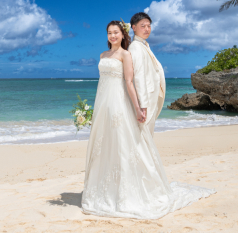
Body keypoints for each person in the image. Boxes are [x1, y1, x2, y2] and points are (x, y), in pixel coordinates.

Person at [81, 15, 214, 219]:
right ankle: (104, 189)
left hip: (119, 103)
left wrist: (138, 108)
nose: (112, 35)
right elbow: (102, 83)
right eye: (109, 33)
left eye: (116, 32)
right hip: (103, 103)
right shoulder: (102, 55)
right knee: (104, 144)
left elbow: (129, 82)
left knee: (124, 143)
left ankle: (126, 190)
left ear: (123, 34)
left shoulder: (126, 54)